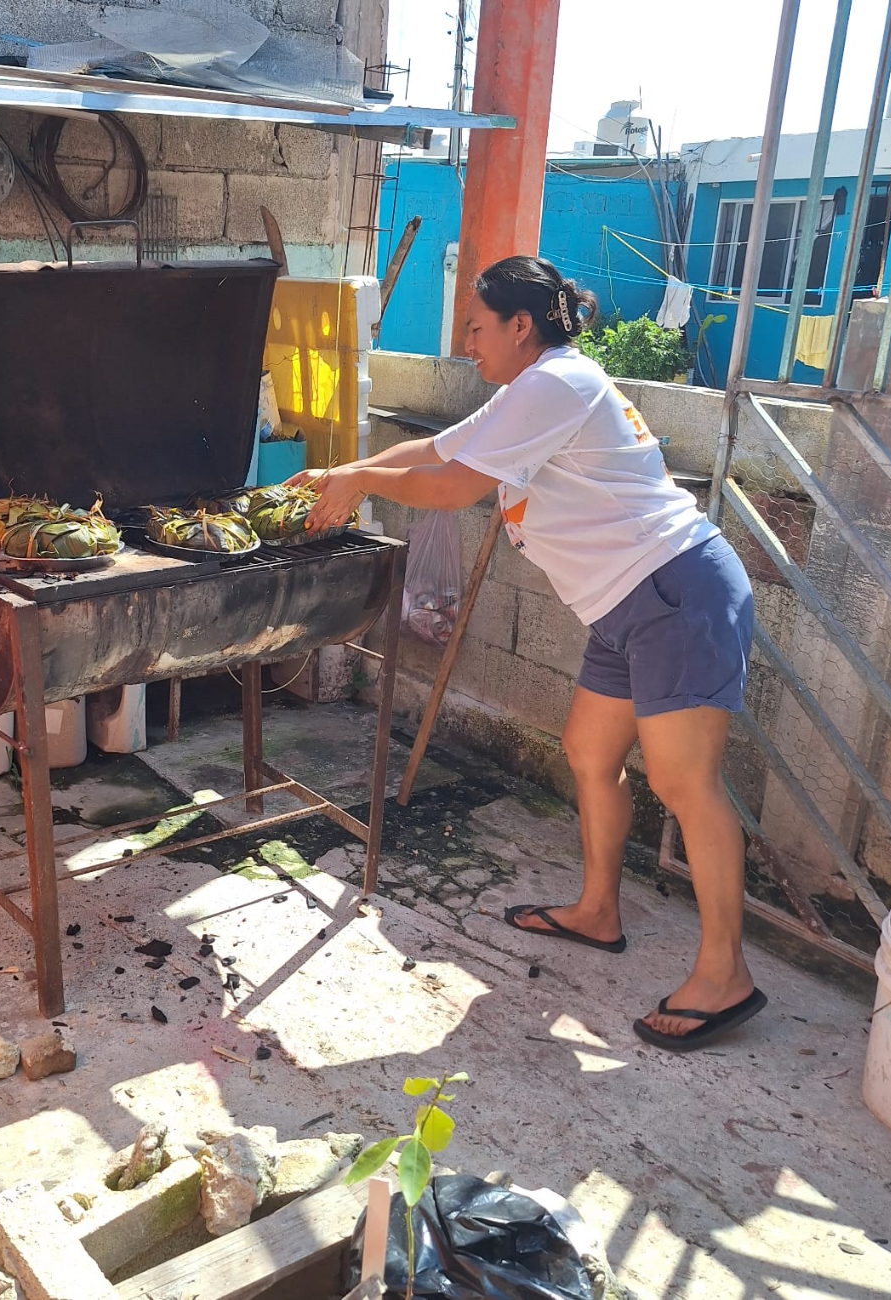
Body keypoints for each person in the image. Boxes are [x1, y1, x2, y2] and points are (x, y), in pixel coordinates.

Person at [291, 255, 761, 1052]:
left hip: (676, 591)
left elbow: (452, 488)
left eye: (476, 327)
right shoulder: (528, 393)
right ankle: (598, 910)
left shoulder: (556, 384)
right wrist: (349, 470)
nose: (466, 343)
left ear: (520, 325)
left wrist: (358, 485)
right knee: (588, 754)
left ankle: (725, 972)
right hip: (622, 604)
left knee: (684, 782)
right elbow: (437, 452)